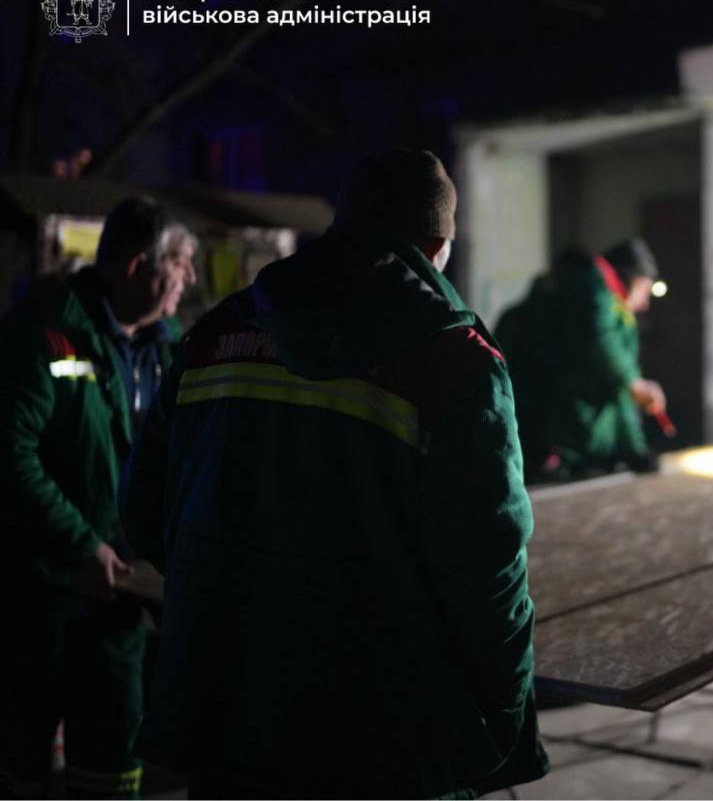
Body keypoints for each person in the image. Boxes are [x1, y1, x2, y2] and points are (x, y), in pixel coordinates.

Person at [119, 149, 548, 798]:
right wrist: (507, 712)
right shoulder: (456, 363)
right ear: (438, 246)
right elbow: (486, 570)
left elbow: (144, 507)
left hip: (228, 713)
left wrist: (236, 602)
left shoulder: (215, 335)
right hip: (383, 733)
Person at [0, 198, 197, 799]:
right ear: (138, 266)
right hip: (38, 600)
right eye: (181, 262)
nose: (191, 278)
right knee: (19, 767)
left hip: (121, 604)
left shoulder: (169, 351)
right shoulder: (46, 334)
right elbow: (10, 452)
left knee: (112, 767)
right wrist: (80, 545)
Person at [495, 238, 667, 480]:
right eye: (645, 290)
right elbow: (604, 343)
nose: (645, 304)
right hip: (552, 439)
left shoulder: (607, 309)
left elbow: (618, 385)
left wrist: (636, 449)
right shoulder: (594, 292)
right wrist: (634, 383)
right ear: (629, 278)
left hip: (549, 441)